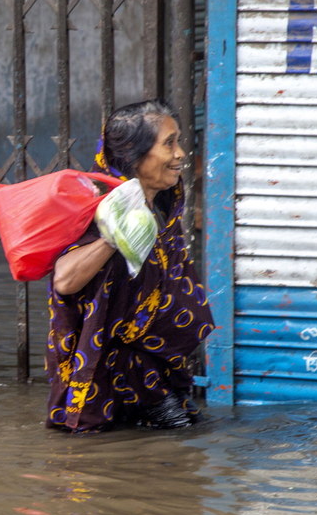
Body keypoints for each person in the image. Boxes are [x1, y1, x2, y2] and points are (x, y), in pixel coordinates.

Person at [46, 99, 214, 432]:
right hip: (120, 370)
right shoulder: (102, 208)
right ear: (134, 157)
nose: (181, 153)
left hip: (157, 363)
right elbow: (64, 281)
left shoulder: (162, 206)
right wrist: (114, 237)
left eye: (178, 141)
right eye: (169, 144)